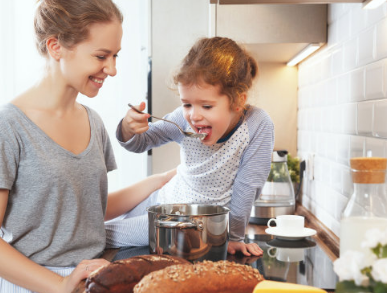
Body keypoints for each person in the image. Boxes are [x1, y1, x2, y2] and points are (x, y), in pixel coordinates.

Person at [0, 1, 175, 292]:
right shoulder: (9, 126)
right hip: (34, 284)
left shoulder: (93, 121)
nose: (112, 69)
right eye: (101, 56)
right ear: (56, 47)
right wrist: (60, 285)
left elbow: (88, 208)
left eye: (115, 56)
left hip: (91, 278)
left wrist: (162, 179)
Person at [111, 37, 275, 256]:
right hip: (161, 201)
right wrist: (128, 128)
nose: (194, 116)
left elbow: (248, 187)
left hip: (184, 224)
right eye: (186, 104)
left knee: (101, 235)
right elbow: (141, 143)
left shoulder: (257, 125)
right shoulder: (182, 118)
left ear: (238, 101)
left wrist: (234, 237)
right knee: (99, 228)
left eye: (206, 106)